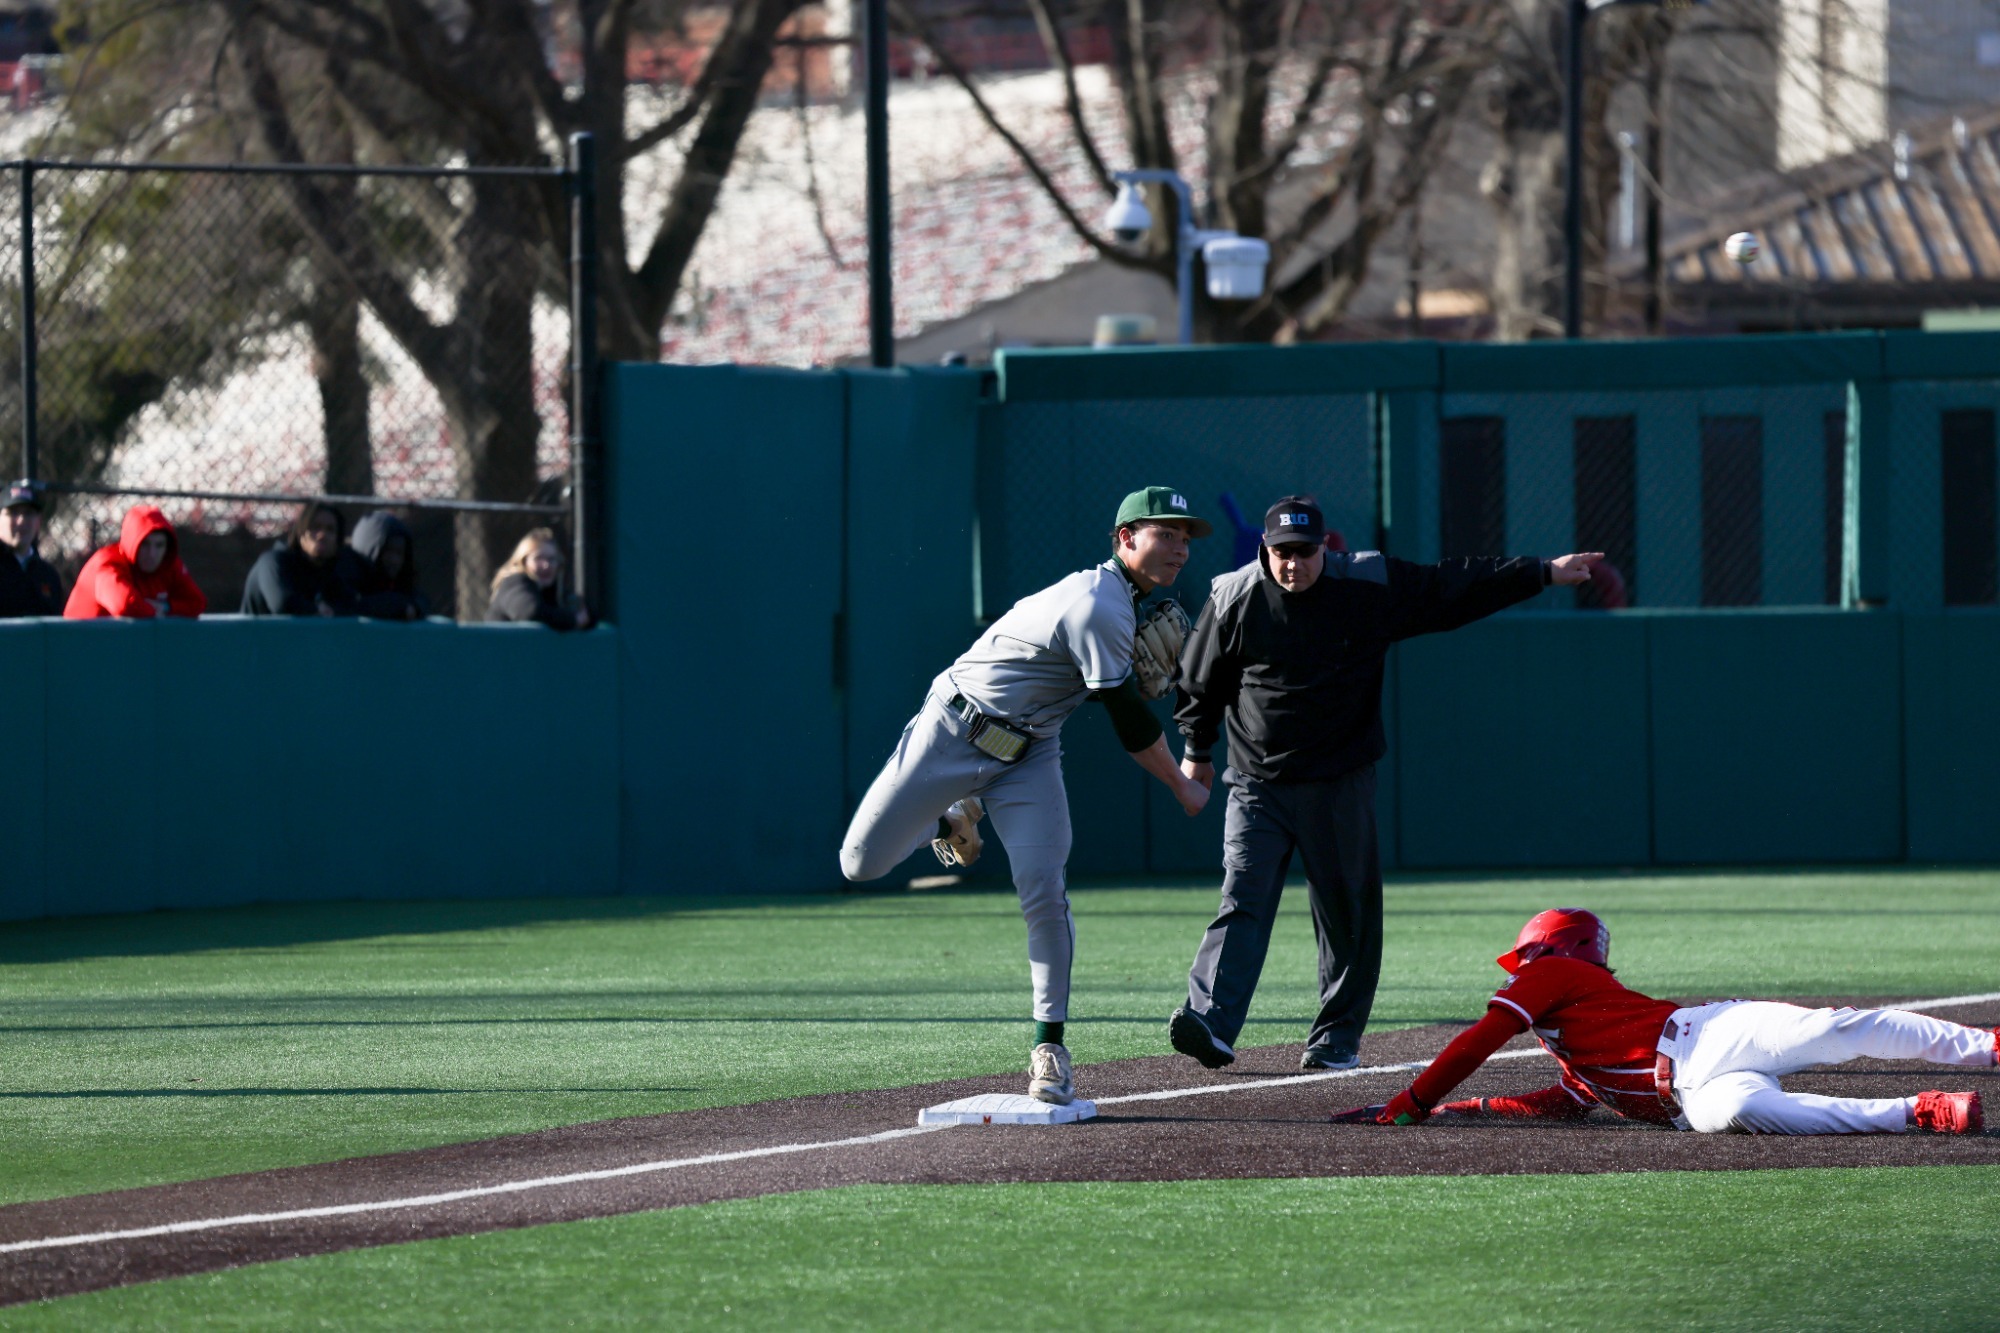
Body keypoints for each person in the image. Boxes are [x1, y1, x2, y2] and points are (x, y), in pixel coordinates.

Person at [1167, 494, 1600, 1073]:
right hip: (1257, 784)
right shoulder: (1235, 595)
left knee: (1346, 912)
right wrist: (1196, 748)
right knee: (1241, 897)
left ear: (1325, 547)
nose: (1291, 564)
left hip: (1339, 781)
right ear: (1264, 550)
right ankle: (1212, 1022)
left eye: (1303, 551)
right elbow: (1202, 679)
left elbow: (1451, 587)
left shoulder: (1367, 584)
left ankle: (1335, 1038)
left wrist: (1540, 572)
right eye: (1280, 553)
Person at [840, 486, 1217, 1107]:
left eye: (1184, 537)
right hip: (952, 733)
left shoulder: (1126, 606)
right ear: (1125, 539)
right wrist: (1182, 786)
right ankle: (947, 818)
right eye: (1164, 533)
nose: (1179, 547)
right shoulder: (1099, 603)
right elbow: (1127, 717)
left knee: (1044, 889)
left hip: (1028, 755)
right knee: (860, 864)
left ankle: (1050, 1048)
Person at [1332, 907, 1993, 1135]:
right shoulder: (1576, 1042)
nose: (1517, 968)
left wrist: (1411, 1102)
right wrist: (1463, 1110)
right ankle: (1923, 1109)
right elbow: (1559, 1104)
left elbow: (1479, 1039)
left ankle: (1985, 1045)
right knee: (1762, 1115)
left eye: (1525, 955)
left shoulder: (1555, 975)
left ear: (1553, 948)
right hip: (1689, 1100)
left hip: (1708, 1033)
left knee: (1837, 1030)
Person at [62, 503, 206, 620]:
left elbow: (196, 602)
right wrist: (154, 610)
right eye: (145, 544)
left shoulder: (168, 564)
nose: (152, 554)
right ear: (132, 542)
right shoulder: (107, 564)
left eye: (159, 545)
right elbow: (125, 605)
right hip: (79, 648)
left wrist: (166, 607)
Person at [241, 502, 355, 617]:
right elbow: (282, 604)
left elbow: (357, 603)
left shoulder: (334, 569)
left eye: (330, 530)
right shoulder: (274, 562)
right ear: (300, 532)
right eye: (315, 527)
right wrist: (318, 610)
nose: (322, 535)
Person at [486, 528, 592, 630]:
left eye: (551, 559)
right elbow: (529, 612)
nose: (546, 565)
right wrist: (572, 619)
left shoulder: (552, 591)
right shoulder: (514, 582)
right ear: (524, 561)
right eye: (539, 558)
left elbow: (587, 615)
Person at [336, 511, 429, 621]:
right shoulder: (346, 570)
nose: (394, 560)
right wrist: (399, 606)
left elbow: (421, 600)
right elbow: (353, 605)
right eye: (388, 551)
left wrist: (415, 608)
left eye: (399, 553)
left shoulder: (400, 579)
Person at [0, 482, 65, 616]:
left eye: (28, 514)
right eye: (13, 513)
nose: (21, 521)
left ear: (38, 521)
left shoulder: (48, 575)